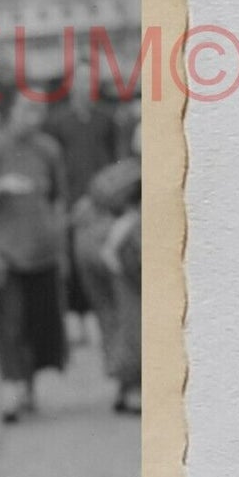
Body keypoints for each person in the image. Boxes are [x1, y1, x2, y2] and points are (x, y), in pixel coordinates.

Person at [0, 91, 69, 422]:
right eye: (26, 109)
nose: (31, 117)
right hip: (6, 252)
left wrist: (59, 238)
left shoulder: (49, 149)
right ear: (13, 111)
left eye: (39, 111)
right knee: (8, 323)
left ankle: (28, 386)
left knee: (38, 325)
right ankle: (10, 387)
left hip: (43, 251)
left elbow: (59, 198)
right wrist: (1, 186)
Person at [45, 57, 127, 343]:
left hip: (103, 203)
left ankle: (98, 317)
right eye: (79, 80)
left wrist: (106, 198)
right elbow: (53, 166)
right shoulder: (57, 121)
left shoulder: (106, 118)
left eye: (89, 80)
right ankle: (75, 319)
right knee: (71, 261)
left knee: (101, 259)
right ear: (70, 85)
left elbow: (117, 161)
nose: (85, 86)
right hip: (70, 203)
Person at [73, 102, 143, 413]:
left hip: (91, 247)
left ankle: (125, 385)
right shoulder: (138, 175)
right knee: (130, 317)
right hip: (112, 252)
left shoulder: (120, 171)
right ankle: (132, 388)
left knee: (112, 317)